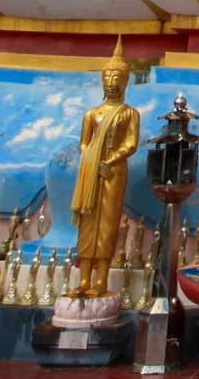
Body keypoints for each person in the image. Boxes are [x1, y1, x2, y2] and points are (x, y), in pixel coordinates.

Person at [70, 40, 140, 297]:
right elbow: (83, 143)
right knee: (88, 222)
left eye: (116, 76)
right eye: (108, 75)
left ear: (125, 81)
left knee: (108, 223)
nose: (111, 80)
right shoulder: (92, 114)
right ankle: (84, 278)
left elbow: (131, 143)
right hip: (91, 171)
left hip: (113, 171)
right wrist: (92, 160)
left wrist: (108, 162)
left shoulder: (129, 114)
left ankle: (101, 280)